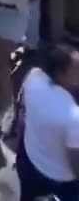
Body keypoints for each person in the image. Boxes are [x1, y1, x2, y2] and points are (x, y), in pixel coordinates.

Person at [17, 44, 79, 200]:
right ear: (61, 73)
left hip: (30, 161)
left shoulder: (33, 76)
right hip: (60, 178)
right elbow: (76, 163)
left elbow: (22, 109)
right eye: (77, 69)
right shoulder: (72, 116)